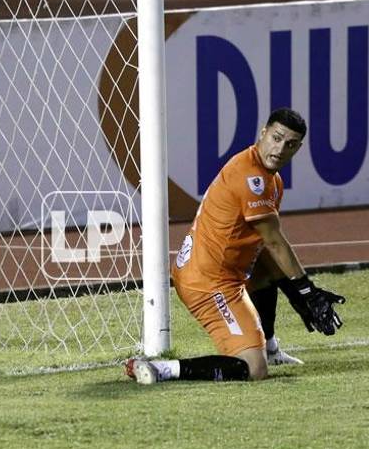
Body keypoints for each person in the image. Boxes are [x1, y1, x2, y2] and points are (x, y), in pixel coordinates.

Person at [126, 107, 345, 384]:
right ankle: (162, 369)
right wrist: (307, 291)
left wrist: (297, 293)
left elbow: (266, 247)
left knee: (267, 264)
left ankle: (270, 347)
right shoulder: (252, 179)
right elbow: (274, 241)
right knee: (254, 368)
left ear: (298, 149)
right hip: (208, 284)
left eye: (289, 144)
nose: (280, 149)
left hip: (210, 268)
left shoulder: (269, 178)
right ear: (263, 133)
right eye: (276, 138)